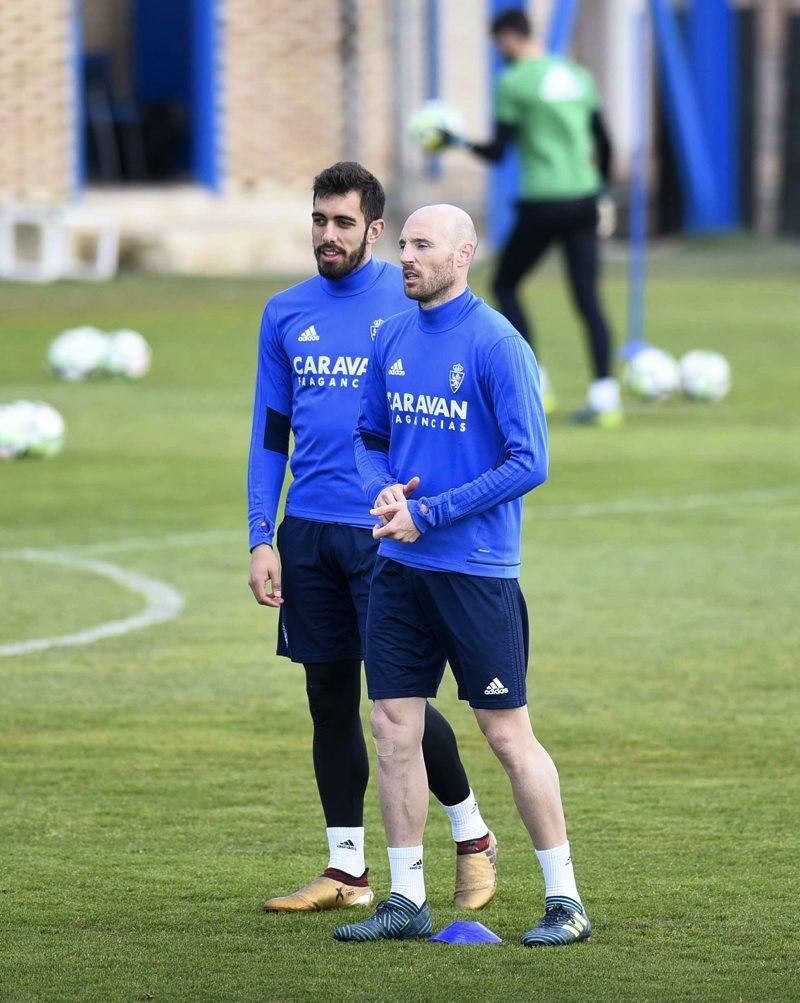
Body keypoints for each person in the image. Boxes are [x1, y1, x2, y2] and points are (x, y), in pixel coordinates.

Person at [335, 203, 590, 947]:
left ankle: (564, 898)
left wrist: (432, 512)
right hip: (400, 567)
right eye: (404, 243)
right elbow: (369, 436)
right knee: (391, 726)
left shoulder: (498, 343)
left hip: (476, 571)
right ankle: (406, 896)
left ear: (464, 253)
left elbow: (529, 461)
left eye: (423, 245)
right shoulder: (393, 336)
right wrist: (381, 488)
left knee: (507, 735)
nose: (406, 257)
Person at [247, 162, 497, 913]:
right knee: (329, 699)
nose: (327, 234)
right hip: (308, 534)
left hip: (387, 535)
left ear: (376, 231)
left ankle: (472, 832)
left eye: (343, 223)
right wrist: (263, 534)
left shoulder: (410, 299)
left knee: (399, 703)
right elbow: (270, 432)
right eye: (319, 220)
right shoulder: (284, 311)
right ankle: (347, 871)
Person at [436, 7, 622, 428]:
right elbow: (605, 143)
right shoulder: (578, 76)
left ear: (508, 37)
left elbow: (499, 153)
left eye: (498, 44)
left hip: (542, 203)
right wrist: (602, 191)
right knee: (587, 295)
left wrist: (456, 141)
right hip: (584, 201)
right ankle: (606, 396)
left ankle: (536, 383)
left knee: (505, 283)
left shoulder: (513, 81)